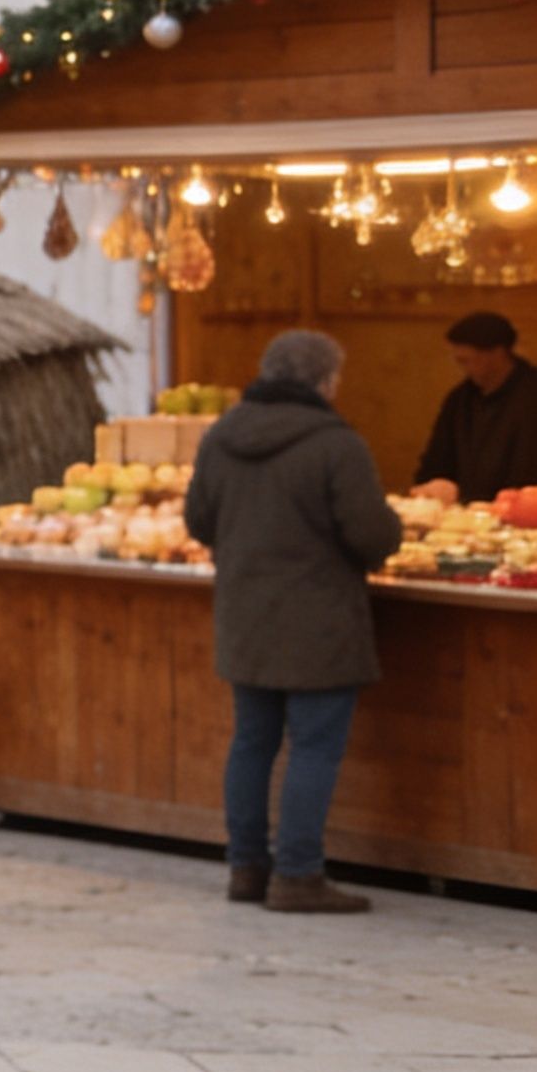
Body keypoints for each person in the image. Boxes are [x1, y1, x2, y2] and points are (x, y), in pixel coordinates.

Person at [185, 329, 397, 914]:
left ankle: (247, 871)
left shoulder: (221, 436)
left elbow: (199, 521)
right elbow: (374, 537)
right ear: (325, 381)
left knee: (252, 742)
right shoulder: (336, 445)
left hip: (245, 616)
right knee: (314, 747)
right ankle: (298, 876)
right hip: (319, 623)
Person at [415, 310, 537, 501]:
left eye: (466, 361)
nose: (462, 368)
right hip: (465, 515)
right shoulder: (459, 400)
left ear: (498, 353)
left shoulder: (532, 395)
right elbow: (437, 461)